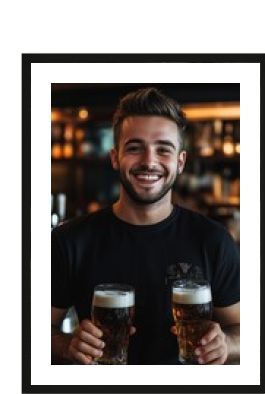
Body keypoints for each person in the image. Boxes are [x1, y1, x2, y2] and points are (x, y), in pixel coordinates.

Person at [51, 87, 240, 365]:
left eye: (163, 149)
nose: (149, 161)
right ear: (115, 157)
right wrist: (67, 345)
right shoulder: (69, 239)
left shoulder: (214, 241)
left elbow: (248, 332)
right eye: (135, 147)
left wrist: (226, 343)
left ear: (181, 162)